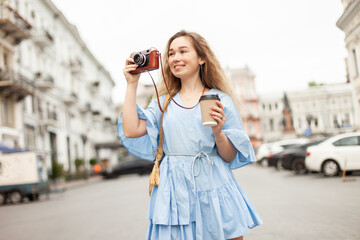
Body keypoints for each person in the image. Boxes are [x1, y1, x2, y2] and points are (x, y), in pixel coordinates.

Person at [118, 30, 262, 240]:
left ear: (201, 58)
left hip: (214, 185)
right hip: (174, 190)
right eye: (171, 53)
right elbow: (131, 130)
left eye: (183, 51)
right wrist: (132, 84)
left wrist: (218, 133)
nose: (175, 58)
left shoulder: (220, 99)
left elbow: (229, 156)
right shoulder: (163, 100)